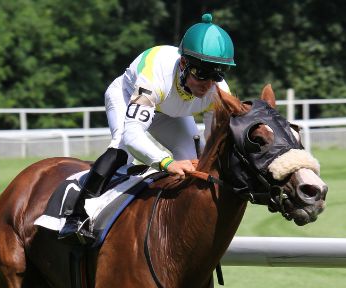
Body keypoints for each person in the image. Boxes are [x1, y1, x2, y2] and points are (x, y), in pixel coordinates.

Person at [60, 13, 236, 243]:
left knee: (195, 160)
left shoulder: (219, 92)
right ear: (183, 64)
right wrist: (167, 163)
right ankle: (77, 214)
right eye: (201, 73)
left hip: (171, 113)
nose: (208, 84)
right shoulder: (155, 74)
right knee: (122, 148)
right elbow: (134, 136)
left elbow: (214, 145)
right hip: (127, 97)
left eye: (216, 74)